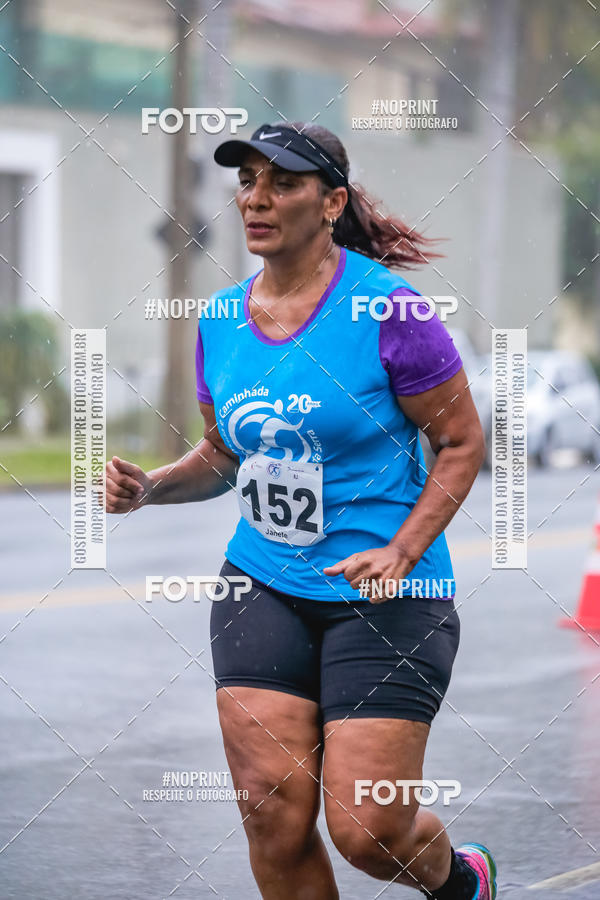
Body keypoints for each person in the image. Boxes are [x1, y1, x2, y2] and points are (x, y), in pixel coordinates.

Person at [105, 121, 496, 899]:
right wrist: (152, 485)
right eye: (248, 180)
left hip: (387, 593)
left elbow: (460, 444)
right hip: (263, 585)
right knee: (273, 821)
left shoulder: (390, 310)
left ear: (330, 203)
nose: (257, 198)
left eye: (283, 183)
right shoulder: (220, 318)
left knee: (367, 830)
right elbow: (225, 455)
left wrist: (403, 552)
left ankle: (461, 881)